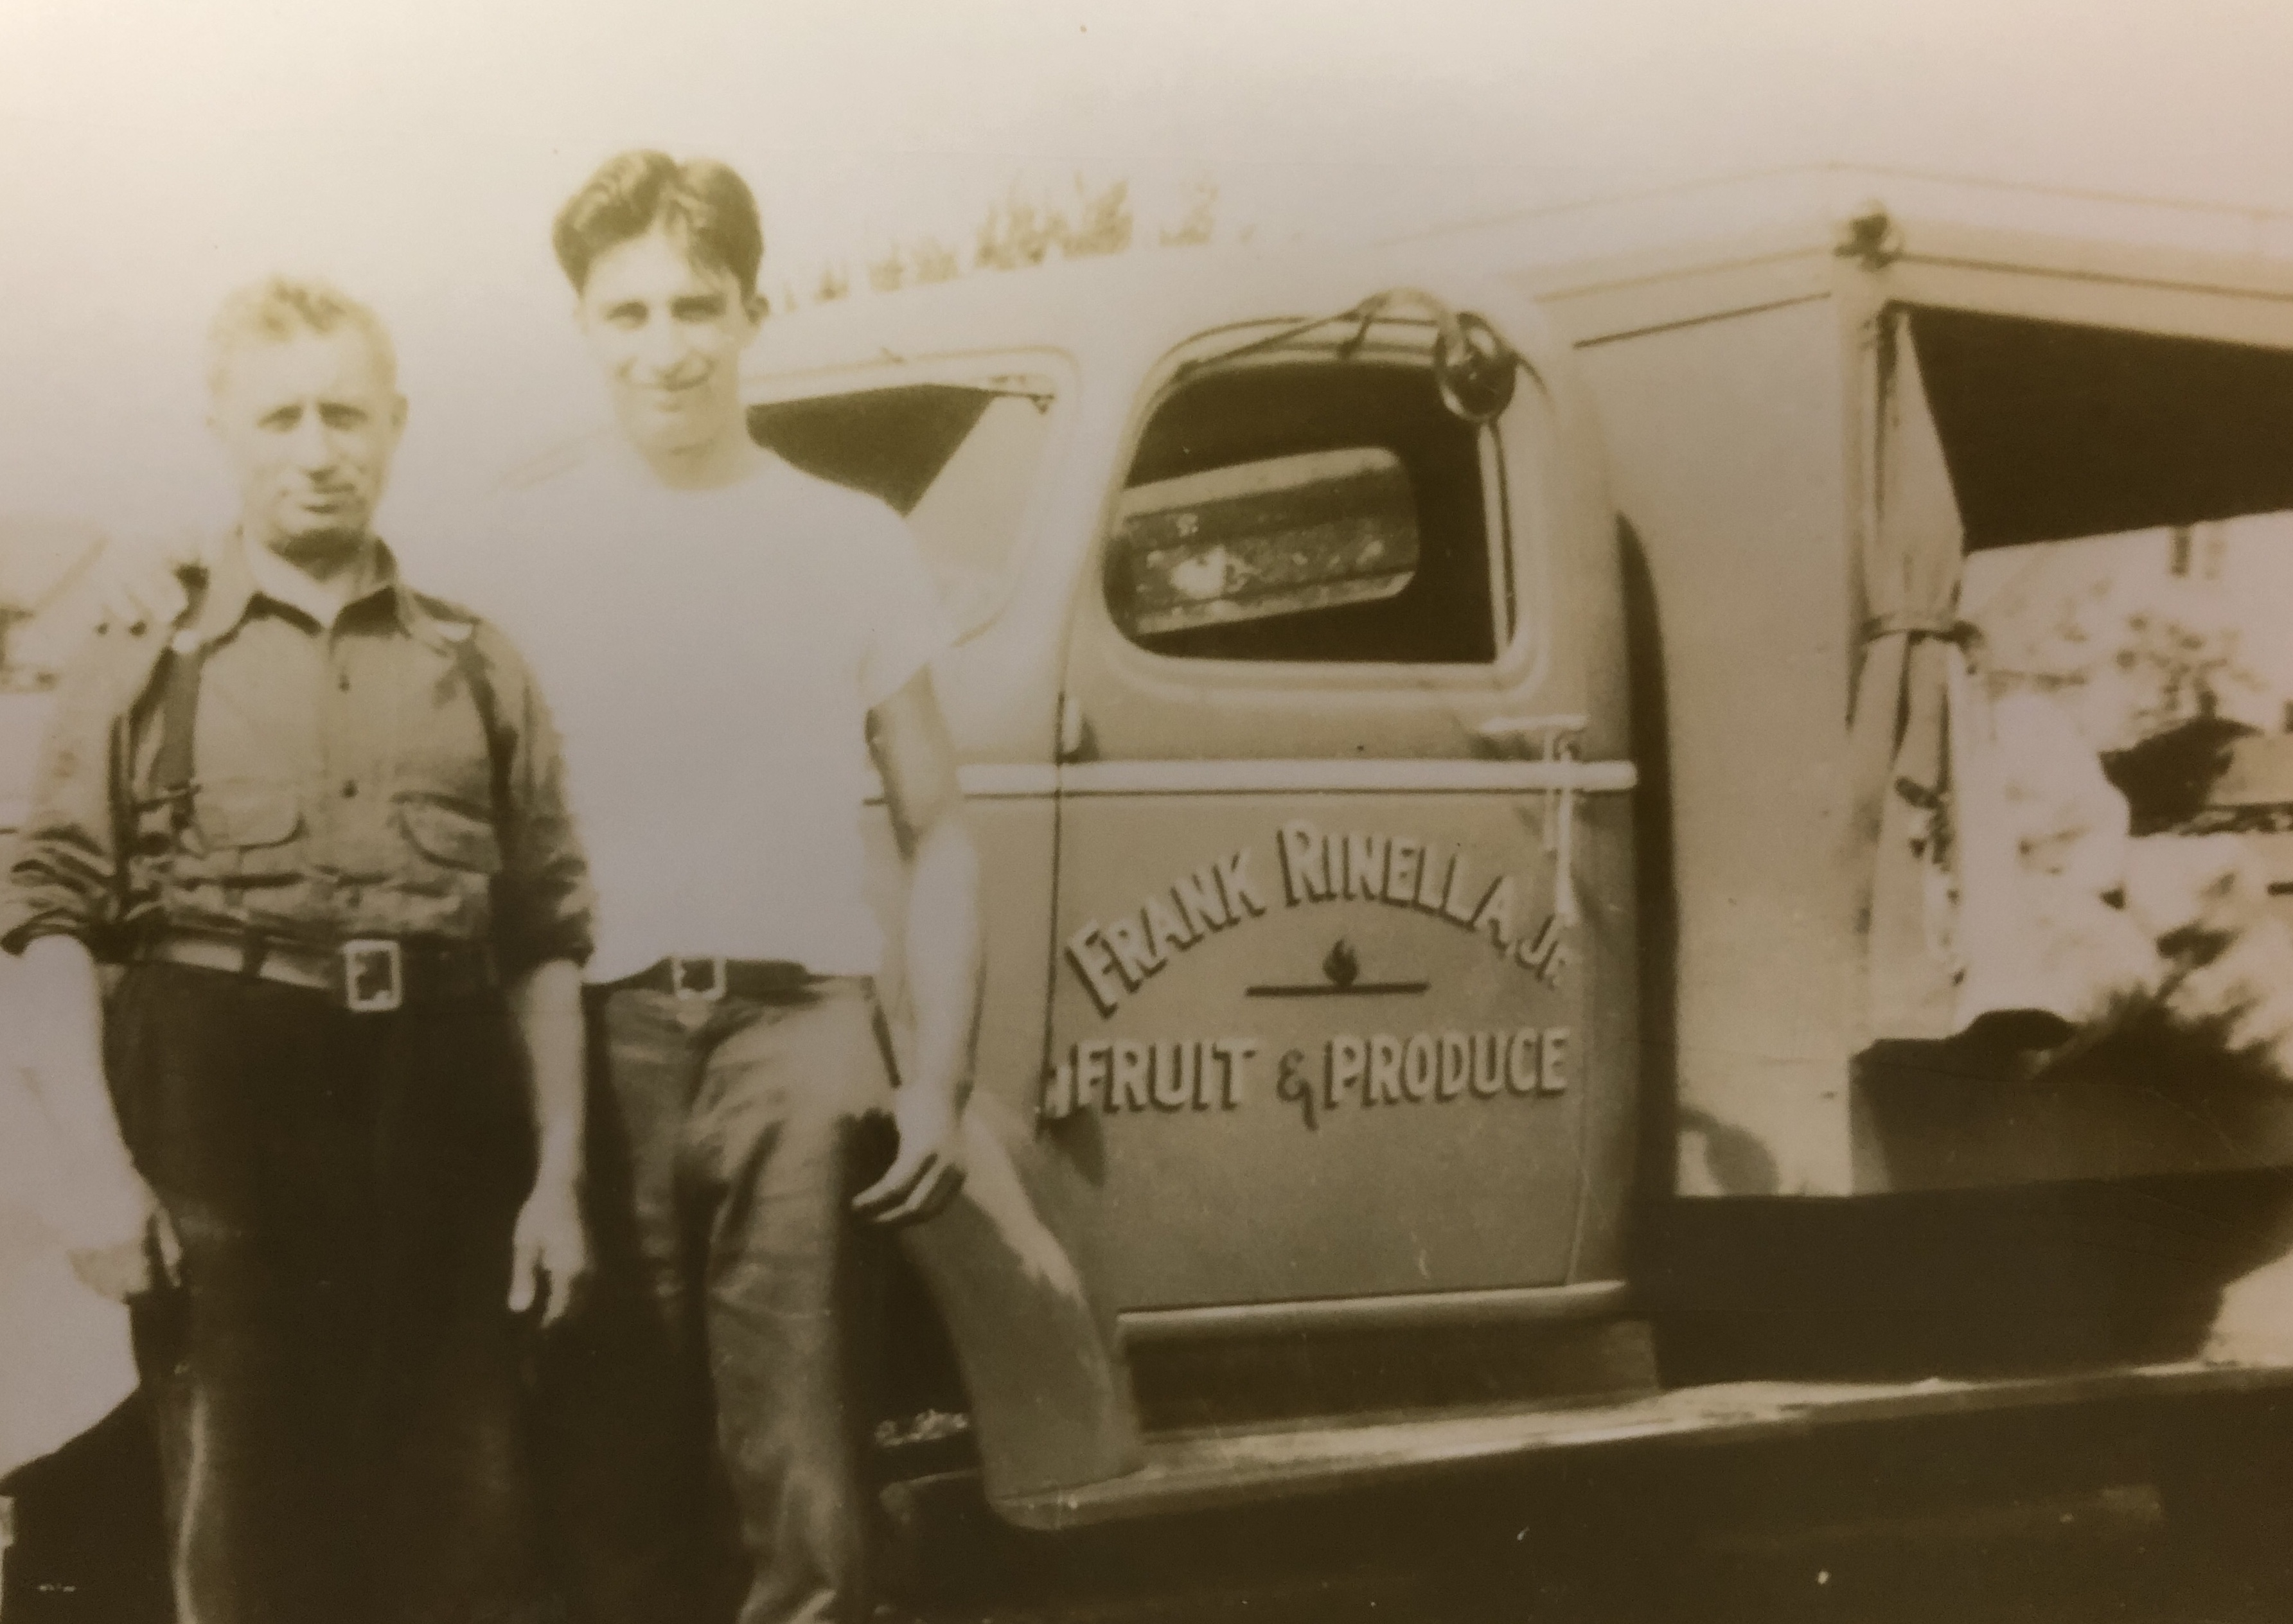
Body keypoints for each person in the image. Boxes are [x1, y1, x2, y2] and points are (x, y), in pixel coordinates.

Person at [4, 276, 596, 1624]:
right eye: (281, 415)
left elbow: (545, 940)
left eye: (346, 412)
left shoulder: (479, 665)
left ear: (395, 425)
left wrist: (558, 1177)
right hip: (224, 1094)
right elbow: (48, 924)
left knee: (465, 1513)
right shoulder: (141, 662)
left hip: (444, 1107)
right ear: (223, 427)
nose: (317, 447)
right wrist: (94, 1176)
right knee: (247, 1520)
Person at [495, 153, 980, 1624]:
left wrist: (941, 1080)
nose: (666, 346)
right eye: (626, 311)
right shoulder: (520, 549)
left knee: (809, 1500)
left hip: (800, 1041)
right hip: (603, 1044)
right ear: (581, 325)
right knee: (609, 1485)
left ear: (753, 312)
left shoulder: (847, 537)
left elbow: (941, 827)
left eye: (696, 306)